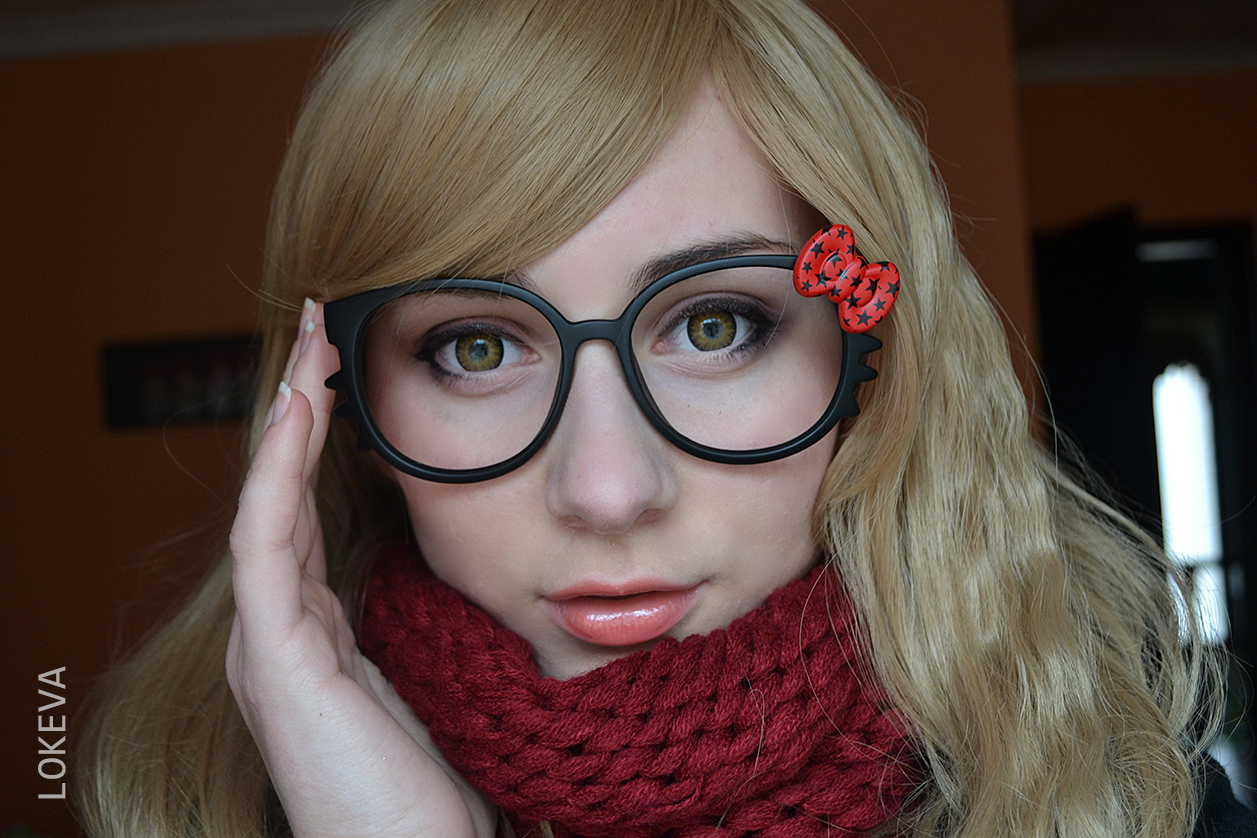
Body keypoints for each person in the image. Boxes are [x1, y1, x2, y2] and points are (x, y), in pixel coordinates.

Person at [73, 1, 1253, 836]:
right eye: (476, 348)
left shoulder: (1131, 801)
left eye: (715, 325)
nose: (607, 488)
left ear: (870, 360)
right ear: (340, 398)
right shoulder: (202, 804)